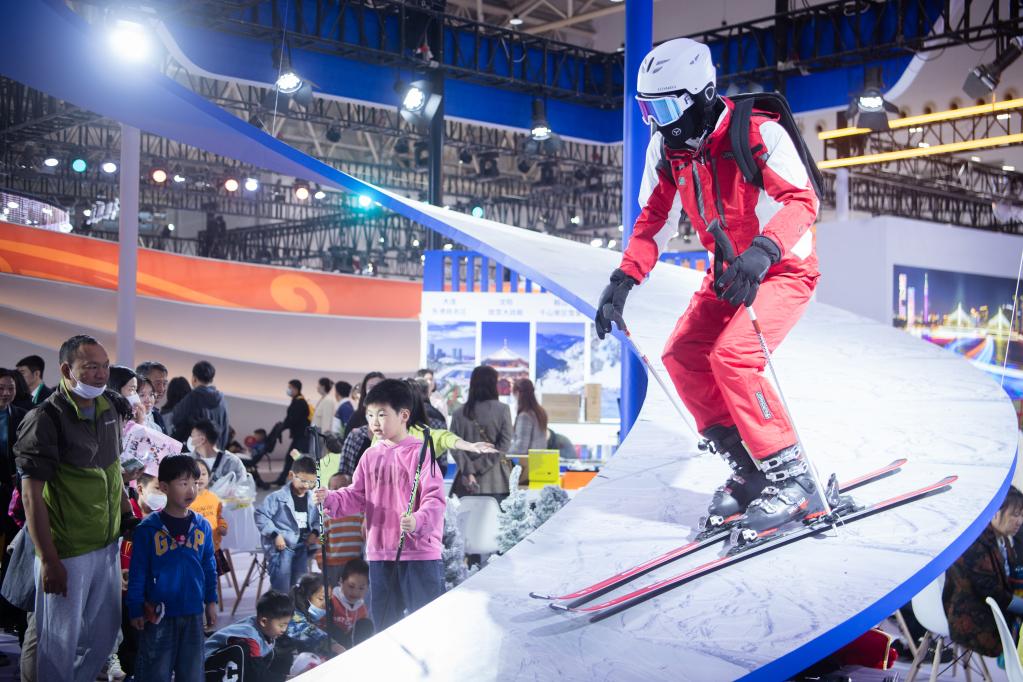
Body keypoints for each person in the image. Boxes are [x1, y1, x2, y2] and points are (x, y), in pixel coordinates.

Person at [593, 38, 823, 532]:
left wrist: (763, 251)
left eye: (666, 108)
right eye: (648, 110)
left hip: (781, 269)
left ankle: (794, 477)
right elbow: (653, 220)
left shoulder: (758, 133)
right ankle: (751, 469)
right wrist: (623, 279)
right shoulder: (667, 150)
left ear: (702, 95)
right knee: (683, 355)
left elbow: (802, 201)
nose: (659, 122)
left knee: (733, 357)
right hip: (726, 274)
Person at [14, 334, 133, 681]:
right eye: (91, 367)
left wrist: (126, 514)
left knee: (105, 637)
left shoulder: (109, 406)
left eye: (105, 366)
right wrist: (49, 560)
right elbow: (30, 497)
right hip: (67, 550)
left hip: (106, 544)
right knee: (58, 643)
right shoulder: (44, 418)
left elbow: (113, 470)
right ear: (67, 370)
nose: (101, 374)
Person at [314, 379, 446, 630]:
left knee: (426, 625)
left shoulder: (421, 452)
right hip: (380, 553)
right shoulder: (370, 455)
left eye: (382, 414)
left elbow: (435, 499)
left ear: (403, 415)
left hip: (418, 553)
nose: (374, 422)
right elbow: (357, 495)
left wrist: (418, 520)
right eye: (370, 414)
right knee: (385, 626)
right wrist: (330, 498)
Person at [127, 455, 217, 682]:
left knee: (192, 672)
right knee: (155, 671)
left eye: (195, 483)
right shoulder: (148, 529)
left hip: (193, 612)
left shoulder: (202, 526)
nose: (191, 490)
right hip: (159, 614)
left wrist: (211, 601)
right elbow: (138, 572)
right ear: (165, 487)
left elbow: (209, 567)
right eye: (183, 483)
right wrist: (135, 607)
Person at [943, 486, 1023, 657]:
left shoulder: (1002, 539)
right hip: (974, 618)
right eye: (1015, 515)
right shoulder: (975, 542)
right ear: (995, 512)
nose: (1020, 521)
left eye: (1022, 515)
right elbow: (991, 592)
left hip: (992, 610)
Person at [256, 455, 321, 593]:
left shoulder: (312, 499)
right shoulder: (277, 497)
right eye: (303, 480)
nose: (306, 485)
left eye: (311, 482)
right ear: (291, 475)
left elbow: (318, 519)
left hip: (303, 547)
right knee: (282, 583)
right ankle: (280, 605)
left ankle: (294, 606)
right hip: (282, 548)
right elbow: (261, 515)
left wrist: (315, 532)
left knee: (299, 583)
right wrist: (275, 534)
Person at [450, 366, 513, 498]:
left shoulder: (458, 413)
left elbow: (454, 446)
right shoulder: (502, 410)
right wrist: (478, 466)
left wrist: (469, 470)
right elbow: (504, 445)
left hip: (467, 482)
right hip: (496, 481)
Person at [204, 590, 294, 682]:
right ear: (264, 621)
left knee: (276, 651)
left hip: (220, 657)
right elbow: (258, 673)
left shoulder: (262, 624)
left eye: (286, 624)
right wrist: (288, 678)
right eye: (281, 625)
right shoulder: (250, 637)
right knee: (242, 650)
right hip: (207, 665)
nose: (284, 629)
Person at [317, 473, 365, 589]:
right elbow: (321, 538)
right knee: (333, 592)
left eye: (343, 487)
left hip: (355, 563)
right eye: (334, 488)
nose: (338, 492)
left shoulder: (360, 512)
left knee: (353, 592)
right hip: (332, 563)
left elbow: (365, 535)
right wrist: (319, 558)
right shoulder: (326, 515)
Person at [169, 361, 229, 450]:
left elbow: (176, 419)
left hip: (194, 451)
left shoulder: (192, 397)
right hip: (214, 451)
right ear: (212, 380)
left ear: (194, 378)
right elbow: (225, 430)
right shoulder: (222, 401)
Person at [284, 573, 343, 657]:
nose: (326, 603)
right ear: (306, 596)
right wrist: (333, 645)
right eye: (321, 599)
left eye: (328, 598)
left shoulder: (311, 614)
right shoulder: (290, 614)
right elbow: (304, 630)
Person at [0, 369, 26, 554]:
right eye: (1, 388)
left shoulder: (22, 415)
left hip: (13, 487)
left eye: (11, 388)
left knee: (11, 540)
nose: (6, 393)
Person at [272, 380, 312, 487]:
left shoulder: (300, 402)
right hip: (299, 436)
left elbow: (293, 419)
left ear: (296, 388)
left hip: (302, 437)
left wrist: (282, 427)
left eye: (290, 387)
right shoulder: (296, 401)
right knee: (293, 457)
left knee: (298, 458)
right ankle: (282, 479)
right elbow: (290, 418)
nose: (288, 390)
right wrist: (282, 427)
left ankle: (307, 481)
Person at [190, 418, 248, 487]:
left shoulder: (232, 462)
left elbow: (242, 488)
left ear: (202, 439)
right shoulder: (189, 460)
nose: (191, 441)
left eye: (192, 436)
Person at [330, 558, 373, 650]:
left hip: (348, 645)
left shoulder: (361, 608)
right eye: (351, 586)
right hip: (330, 645)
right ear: (341, 581)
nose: (355, 592)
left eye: (361, 588)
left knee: (366, 625)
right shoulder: (331, 601)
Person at [191, 459, 229, 553]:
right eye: (196, 474)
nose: (200, 477)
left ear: (209, 476)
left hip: (214, 548)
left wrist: (222, 526)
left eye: (203, 474)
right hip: (193, 550)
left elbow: (219, 516)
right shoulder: (185, 500)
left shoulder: (213, 498)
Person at [509, 378, 548, 458]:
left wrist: (502, 453)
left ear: (517, 393)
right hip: (539, 459)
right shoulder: (540, 412)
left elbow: (521, 447)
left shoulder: (525, 416)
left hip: (528, 462)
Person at [135, 361, 169, 433]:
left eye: (164, 383)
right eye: (157, 383)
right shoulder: (129, 417)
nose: (162, 389)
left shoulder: (156, 415)